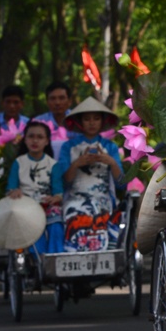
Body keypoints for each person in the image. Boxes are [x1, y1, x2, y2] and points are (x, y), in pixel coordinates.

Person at [54, 96, 123, 252]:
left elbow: (121, 183)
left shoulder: (110, 147)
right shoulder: (68, 147)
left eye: (96, 118)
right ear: (79, 122)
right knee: (75, 214)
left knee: (108, 215)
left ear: (102, 121)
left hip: (104, 199)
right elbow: (64, 181)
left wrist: (110, 162)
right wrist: (78, 163)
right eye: (87, 119)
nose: (92, 123)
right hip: (75, 198)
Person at [4, 121, 62, 252]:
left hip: (47, 206)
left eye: (40, 137)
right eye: (31, 136)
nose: (35, 140)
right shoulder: (18, 163)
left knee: (56, 226)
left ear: (47, 141)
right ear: (24, 140)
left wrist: (55, 198)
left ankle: (54, 259)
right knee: (33, 230)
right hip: (25, 207)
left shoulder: (53, 164)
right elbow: (10, 189)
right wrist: (15, 192)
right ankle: (37, 260)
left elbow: (58, 192)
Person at [33, 81, 73, 149]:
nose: (57, 103)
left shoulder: (79, 120)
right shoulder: (38, 122)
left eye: (62, 98)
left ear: (69, 101)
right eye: (53, 98)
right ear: (47, 102)